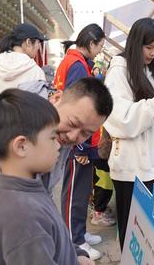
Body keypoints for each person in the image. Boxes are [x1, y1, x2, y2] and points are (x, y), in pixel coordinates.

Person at [0, 77, 113, 263]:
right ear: (57, 98)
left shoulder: (54, 131)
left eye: (86, 133)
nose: (74, 136)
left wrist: (72, 250)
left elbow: (44, 196)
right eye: (74, 123)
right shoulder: (13, 121)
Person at [103, 17, 154, 250]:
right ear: (136, 43)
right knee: (133, 237)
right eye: (149, 47)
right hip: (132, 169)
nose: (153, 53)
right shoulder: (119, 71)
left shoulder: (151, 71)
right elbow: (121, 119)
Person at [54, 23, 105, 260]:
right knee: (74, 192)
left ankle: (79, 233)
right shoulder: (76, 64)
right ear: (92, 42)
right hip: (77, 143)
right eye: (100, 45)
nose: (100, 50)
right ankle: (74, 239)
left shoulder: (78, 62)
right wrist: (81, 146)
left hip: (80, 142)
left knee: (81, 190)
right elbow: (75, 109)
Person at [0, 23, 47, 106]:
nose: (39, 47)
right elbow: (40, 107)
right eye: (38, 43)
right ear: (28, 42)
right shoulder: (36, 72)